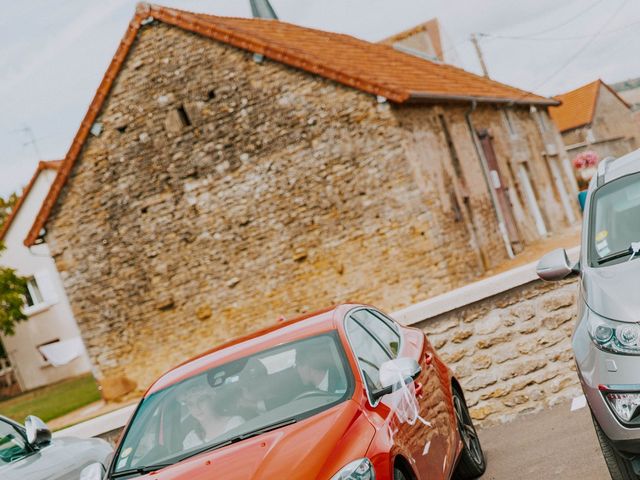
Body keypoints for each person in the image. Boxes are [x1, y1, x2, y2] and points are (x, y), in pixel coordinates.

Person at [180, 383, 244, 450]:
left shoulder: (235, 423)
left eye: (201, 400)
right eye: (191, 404)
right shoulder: (190, 440)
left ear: (212, 398)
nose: (197, 408)